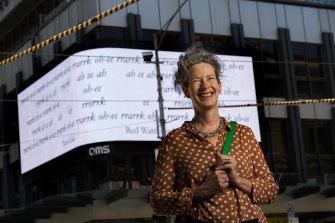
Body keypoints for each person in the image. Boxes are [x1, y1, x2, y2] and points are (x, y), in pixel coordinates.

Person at [150, 43, 279, 223]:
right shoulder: (175, 141)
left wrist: (238, 180)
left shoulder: (244, 133)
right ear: (186, 91)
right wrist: (204, 190)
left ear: (219, 85)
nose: (205, 86)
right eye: (196, 81)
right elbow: (158, 202)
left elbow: (271, 191)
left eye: (210, 78)